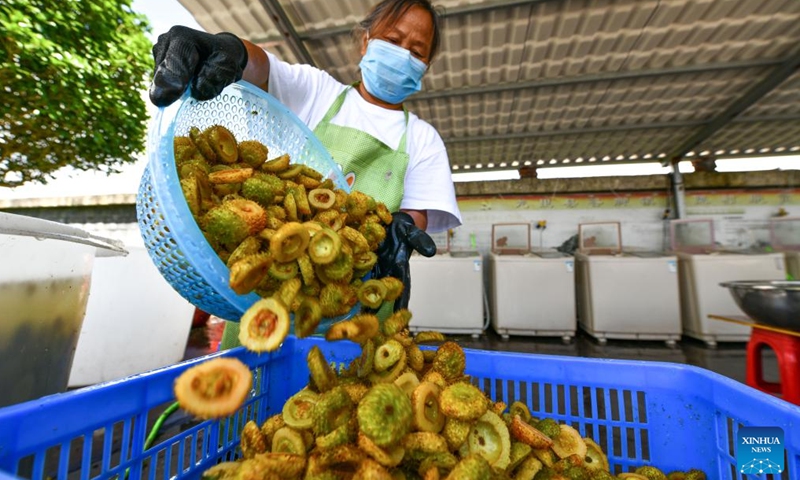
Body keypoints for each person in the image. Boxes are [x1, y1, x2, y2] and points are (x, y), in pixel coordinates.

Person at [149, 0, 462, 345]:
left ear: (427, 65)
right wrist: (229, 49)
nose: (403, 54)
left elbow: (414, 219)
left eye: (417, 51)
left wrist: (400, 229)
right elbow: (260, 66)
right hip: (267, 305)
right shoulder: (318, 92)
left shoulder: (423, 138)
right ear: (365, 41)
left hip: (358, 315)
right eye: (393, 39)